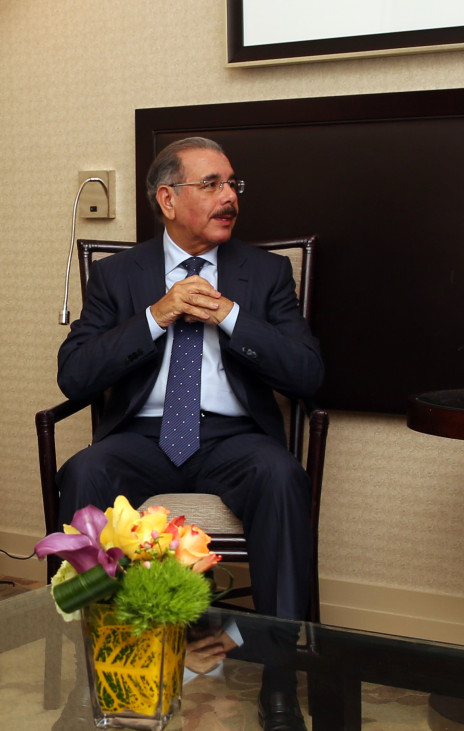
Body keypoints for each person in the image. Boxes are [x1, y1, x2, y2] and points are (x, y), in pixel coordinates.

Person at [55, 136, 321, 730]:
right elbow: (74, 375)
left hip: (234, 439)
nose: (230, 197)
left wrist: (229, 315)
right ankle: (101, 671)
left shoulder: (266, 273)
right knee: (85, 471)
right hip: (143, 437)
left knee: (282, 476)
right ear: (168, 199)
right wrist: (158, 315)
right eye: (212, 184)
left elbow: (307, 374)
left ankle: (279, 683)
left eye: (233, 184)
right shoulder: (118, 275)